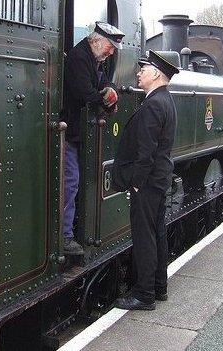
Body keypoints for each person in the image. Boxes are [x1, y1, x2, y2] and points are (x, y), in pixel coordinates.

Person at [111, 51, 178, 310]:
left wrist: (136, 182)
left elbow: (146, 151)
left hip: (147, 182)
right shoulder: (165, 100)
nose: (139, 73)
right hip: (159, 179)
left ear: (156, 74)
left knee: (144, 237)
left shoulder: (153, 104)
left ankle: (144, 295)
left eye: (144, 69)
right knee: (157, 233)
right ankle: (159, 287)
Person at [60, 22, 124, 255]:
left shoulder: (96, 59)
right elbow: (84, 93)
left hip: (80, 134)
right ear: (96, 41)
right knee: (71, 181)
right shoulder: (79, 57)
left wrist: (109, 90)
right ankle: (64, 236)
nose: (111, 52)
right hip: (70, 132)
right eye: (109, 46)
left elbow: (104, 83)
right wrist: (104, 99)